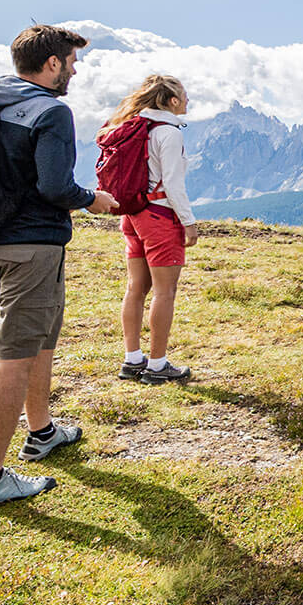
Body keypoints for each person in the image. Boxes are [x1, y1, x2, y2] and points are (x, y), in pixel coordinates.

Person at [0, 25, 119, 511]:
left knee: (41, 338)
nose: (75, 69)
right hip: (29, 246)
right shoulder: (51, 110)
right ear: (52, 63)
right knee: (15, 355)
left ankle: (42, 430)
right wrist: (93, 199)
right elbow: (54, 186)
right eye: (72, 61)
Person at [102, 75, 201, 384]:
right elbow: (172, 182)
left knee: (136, 288)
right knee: (164, 291)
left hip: (132, 215)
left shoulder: (135, 127)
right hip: (159, 216)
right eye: (184, 95)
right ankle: (157, 366)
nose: (187, 101)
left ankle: (133, 360)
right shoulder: (168, 132)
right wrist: (189, 221)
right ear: (171, 101)